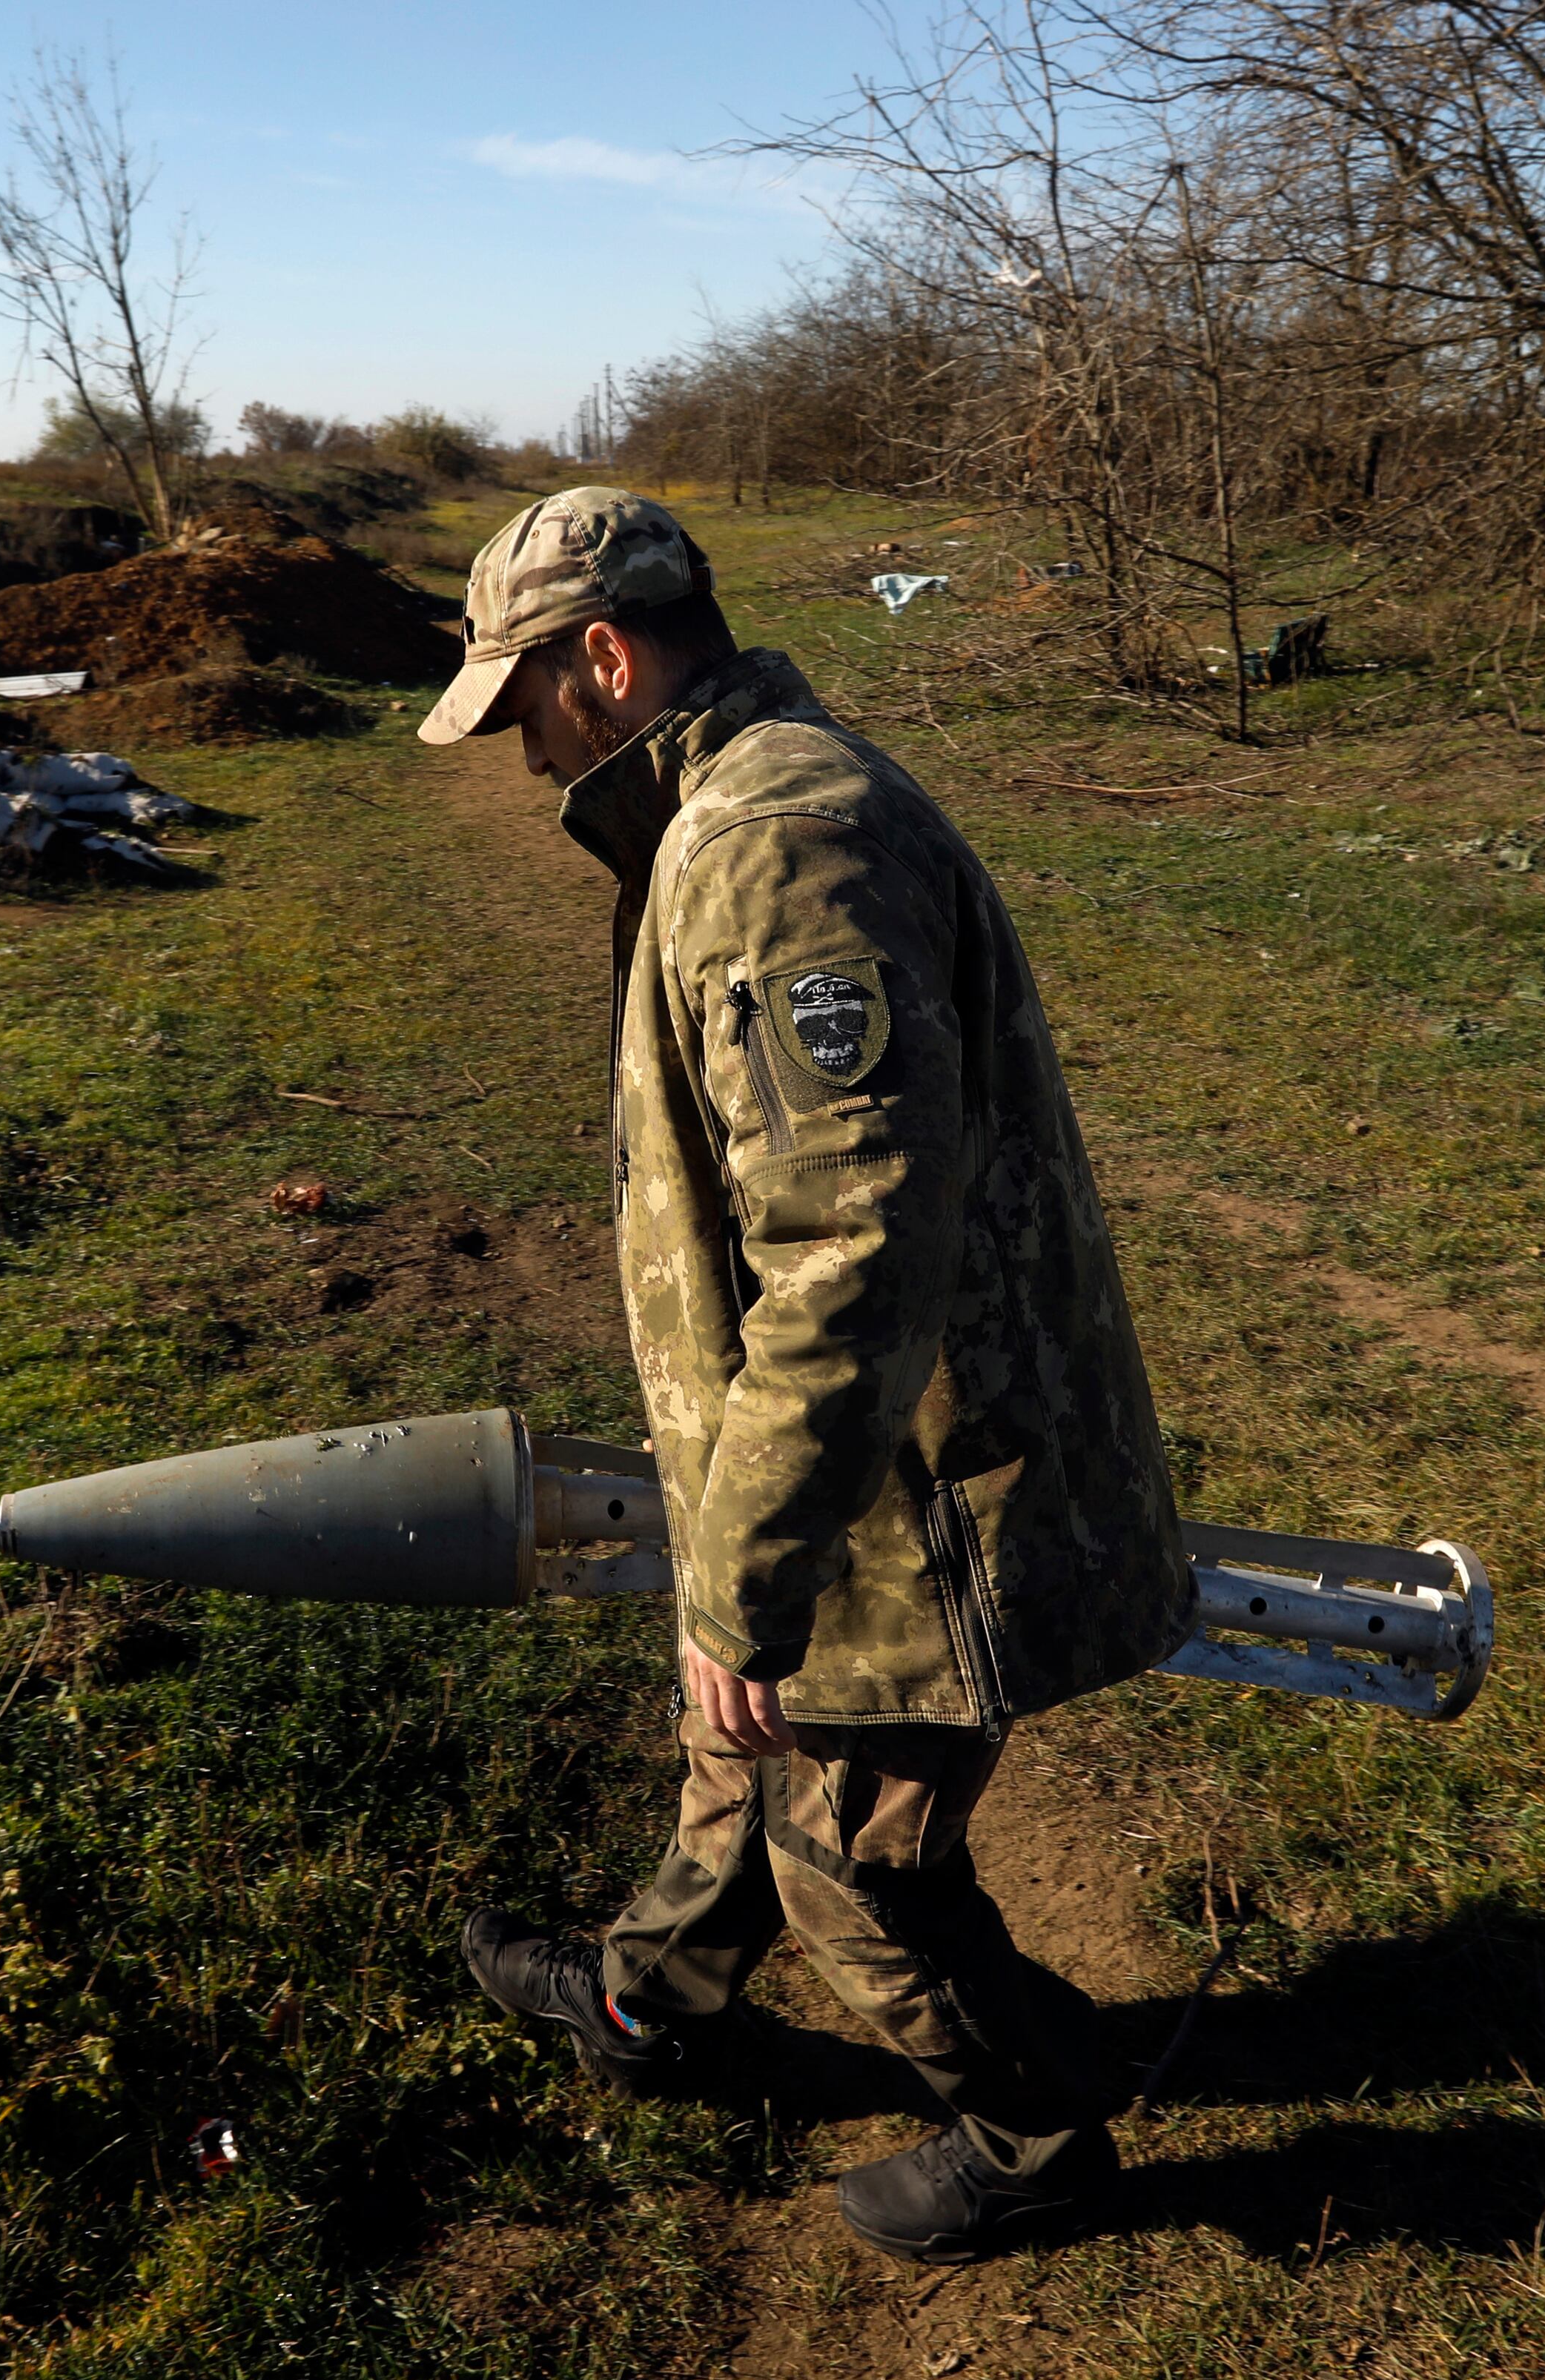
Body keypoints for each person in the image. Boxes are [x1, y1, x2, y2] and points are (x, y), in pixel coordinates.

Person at [427, 487, 1194, 2264]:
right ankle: (651, 2000)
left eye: (520, 700)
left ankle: (1037, 2127)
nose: (515, 744)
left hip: (908, 1495)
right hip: (828, 1472)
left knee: (854, 1861)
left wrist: (745, 1578)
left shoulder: (779, 845)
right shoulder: (725, 809)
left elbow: (850, 1256)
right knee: (730, 1758)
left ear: (601, 658)